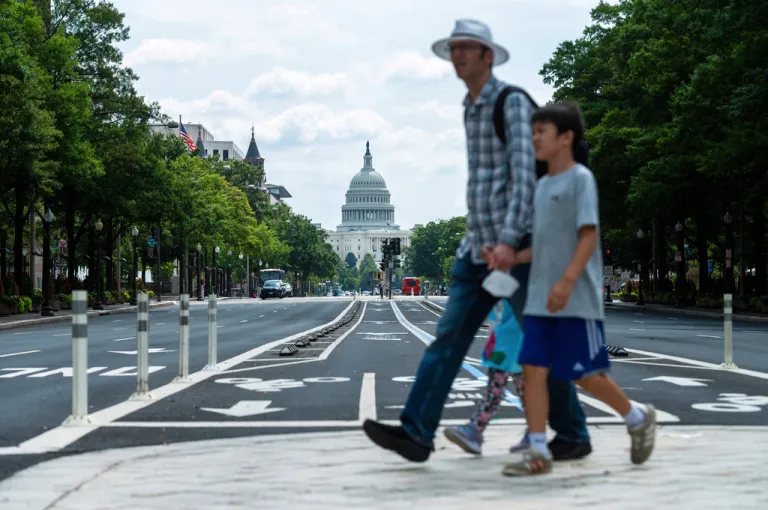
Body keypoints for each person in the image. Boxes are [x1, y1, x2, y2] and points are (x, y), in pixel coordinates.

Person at [362, 19, 591, 463]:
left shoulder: (511, 104)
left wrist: (508, 242)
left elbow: (523, 179)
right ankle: (416, 432)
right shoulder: (469, 107)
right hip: (477, 250)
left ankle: (574, 432)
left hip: (516, 251)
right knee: (447, 340)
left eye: (466, 48)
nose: (458, 56)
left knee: (539, 341)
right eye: (453, 49)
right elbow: (483, 183)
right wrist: (473, 241)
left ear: (488, 56)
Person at [501, 102, 656, 476]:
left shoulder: (580, 180)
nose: (534, 139)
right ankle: (538, 451)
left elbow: (588, 236)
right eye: (533, 132)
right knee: (533, 368)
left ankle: (636, 418)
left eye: (542, 132)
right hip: (541, 299)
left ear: (566, 137)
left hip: (575, 300)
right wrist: (513, 258)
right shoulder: (541, 188)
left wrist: (568, 280)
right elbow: (545, 244)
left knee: (584, 374)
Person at [443, 298, 529, 455]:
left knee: (499, 389)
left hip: (509, 343)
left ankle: (476, 429)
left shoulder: (513, 282)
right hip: (509, 341)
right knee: (521, 390)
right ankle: (534, 433)